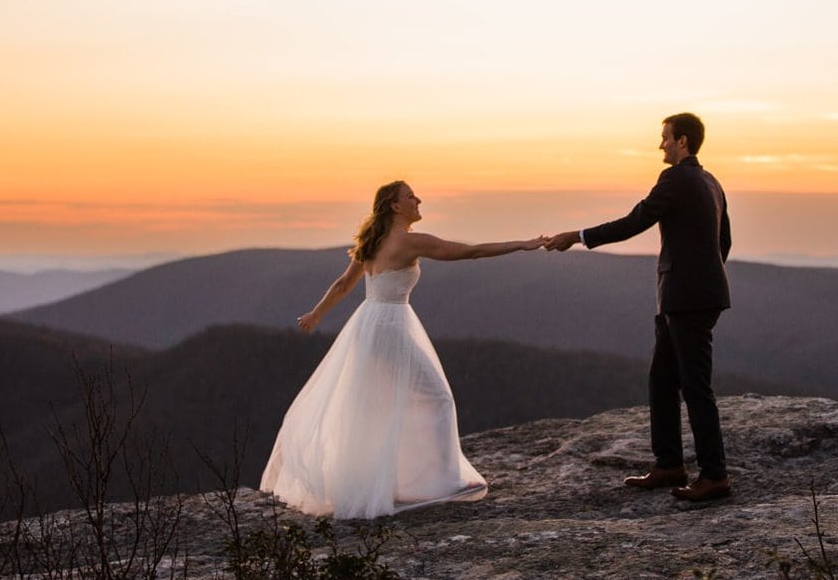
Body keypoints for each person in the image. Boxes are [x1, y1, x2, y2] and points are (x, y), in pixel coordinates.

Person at [261, 181, 547, 520]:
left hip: (368, 323)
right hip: (391, 325)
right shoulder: (410, 242)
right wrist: (522, 245)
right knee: (436, 396)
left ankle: (389, 480)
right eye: (410, 196)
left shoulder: (373, 241)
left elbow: (343, 285)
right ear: (395, 206)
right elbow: (468, 251)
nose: (418, 199)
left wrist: (315, 314)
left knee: (382, 405)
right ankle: (443, 482)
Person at [546, 112, 733, 502]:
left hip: (686, 299)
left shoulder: (677, 179)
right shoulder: (710, 181)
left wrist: (578, 236)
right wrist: (706, 278)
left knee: (695, 386)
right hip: (691, 297)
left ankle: (714, 476)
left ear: (682, 141)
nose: (660, 144)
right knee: (662, 380)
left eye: (665, 137)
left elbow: (636, 221)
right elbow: (724, 241)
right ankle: (669, 464)